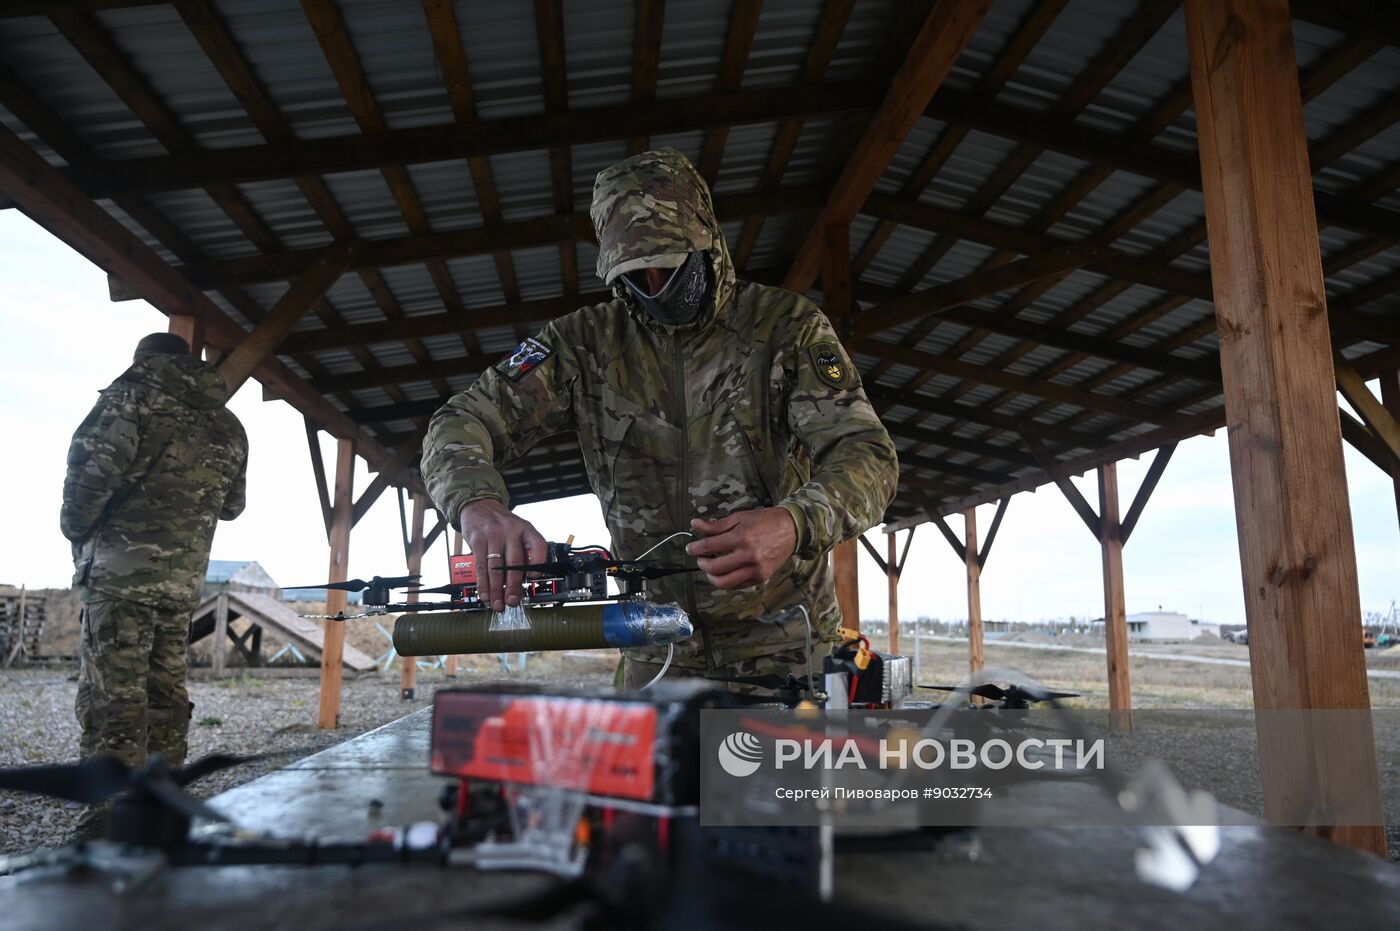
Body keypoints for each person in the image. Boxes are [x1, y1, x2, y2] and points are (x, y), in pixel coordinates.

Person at [422, 148, 897, 690]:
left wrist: (794, 523)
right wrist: (479, 506)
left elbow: (868, 457)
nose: (654, 288)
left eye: (670, 267)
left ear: (707, 245)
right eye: (634, 274)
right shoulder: (582, 345)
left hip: (788, 655)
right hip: (656, 655)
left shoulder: (786, 329)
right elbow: (460, 420)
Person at [61, 332, 248, 772]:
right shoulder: (228, 425)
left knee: (115, 698)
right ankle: (164, 800)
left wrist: (78, 531)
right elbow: (232, 506)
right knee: (167, 694)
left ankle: (112, 816)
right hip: (181, 584)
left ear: (142, 360)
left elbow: (87, 482)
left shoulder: (129, 399)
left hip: (118, 580)